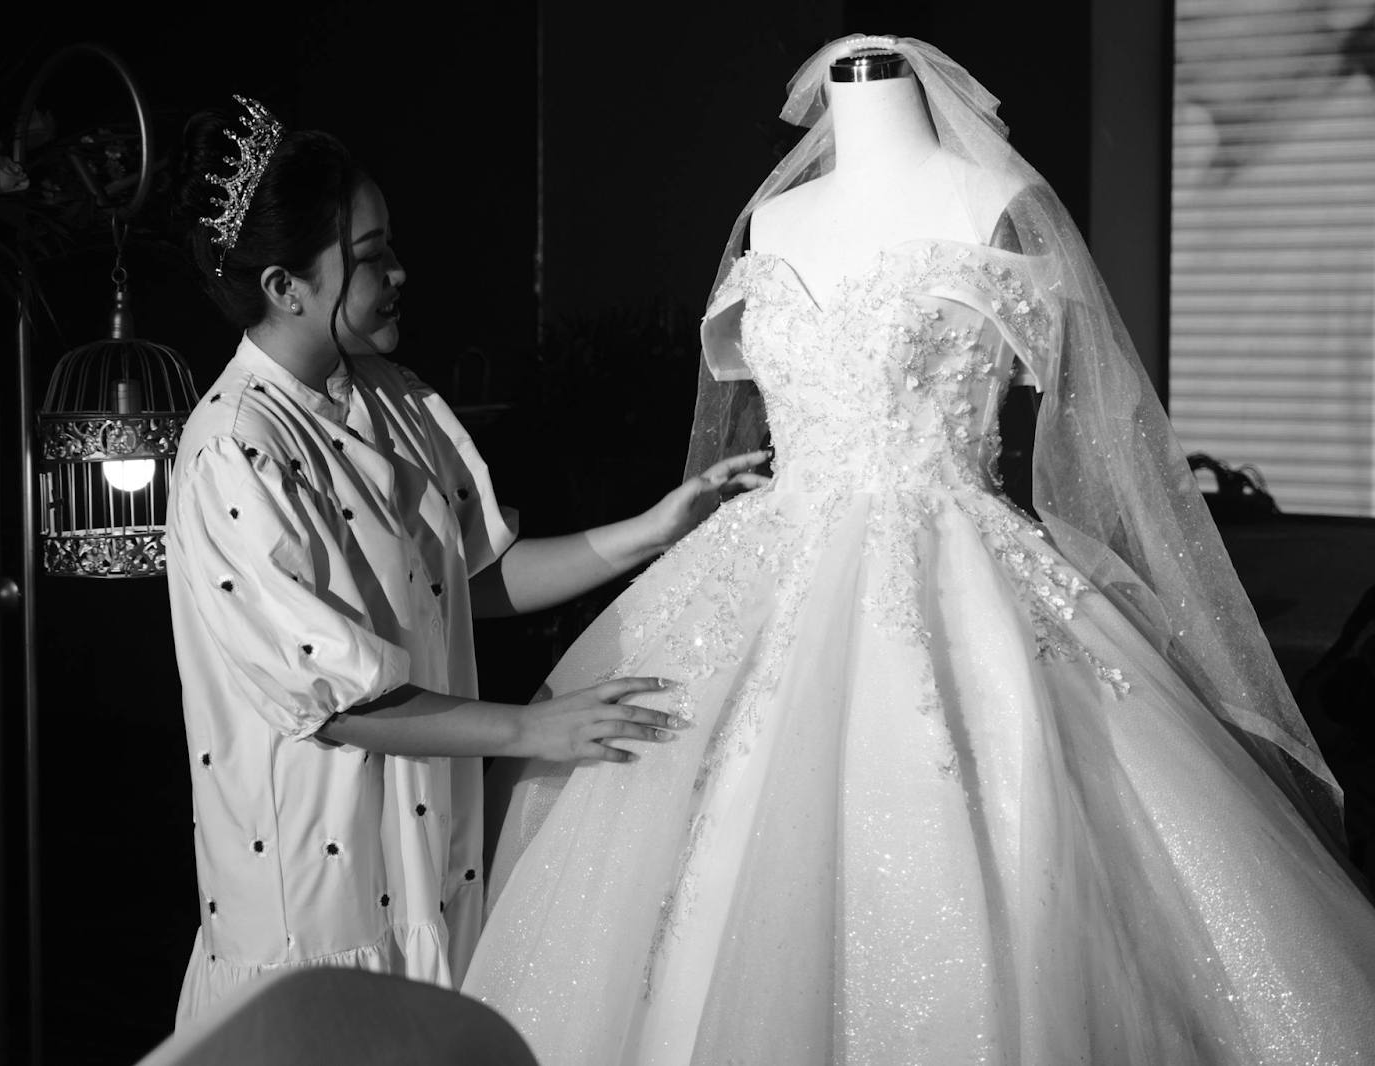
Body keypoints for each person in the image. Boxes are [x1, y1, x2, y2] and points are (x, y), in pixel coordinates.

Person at [462, 36, 1375, 1063]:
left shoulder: (990, 202)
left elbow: (1083, 427)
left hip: (959, 567)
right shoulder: (772, 219)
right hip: (765, 566)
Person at [163, 96, 767, 1024]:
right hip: (320, 898)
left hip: (434, 865)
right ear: (285, 287)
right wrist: (532, 733)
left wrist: (656, 527)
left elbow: (472, 581)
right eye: (368, 260)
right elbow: (336, 706)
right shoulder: (231, 451)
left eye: (390, 246)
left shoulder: (393, 398)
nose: (399, 273)